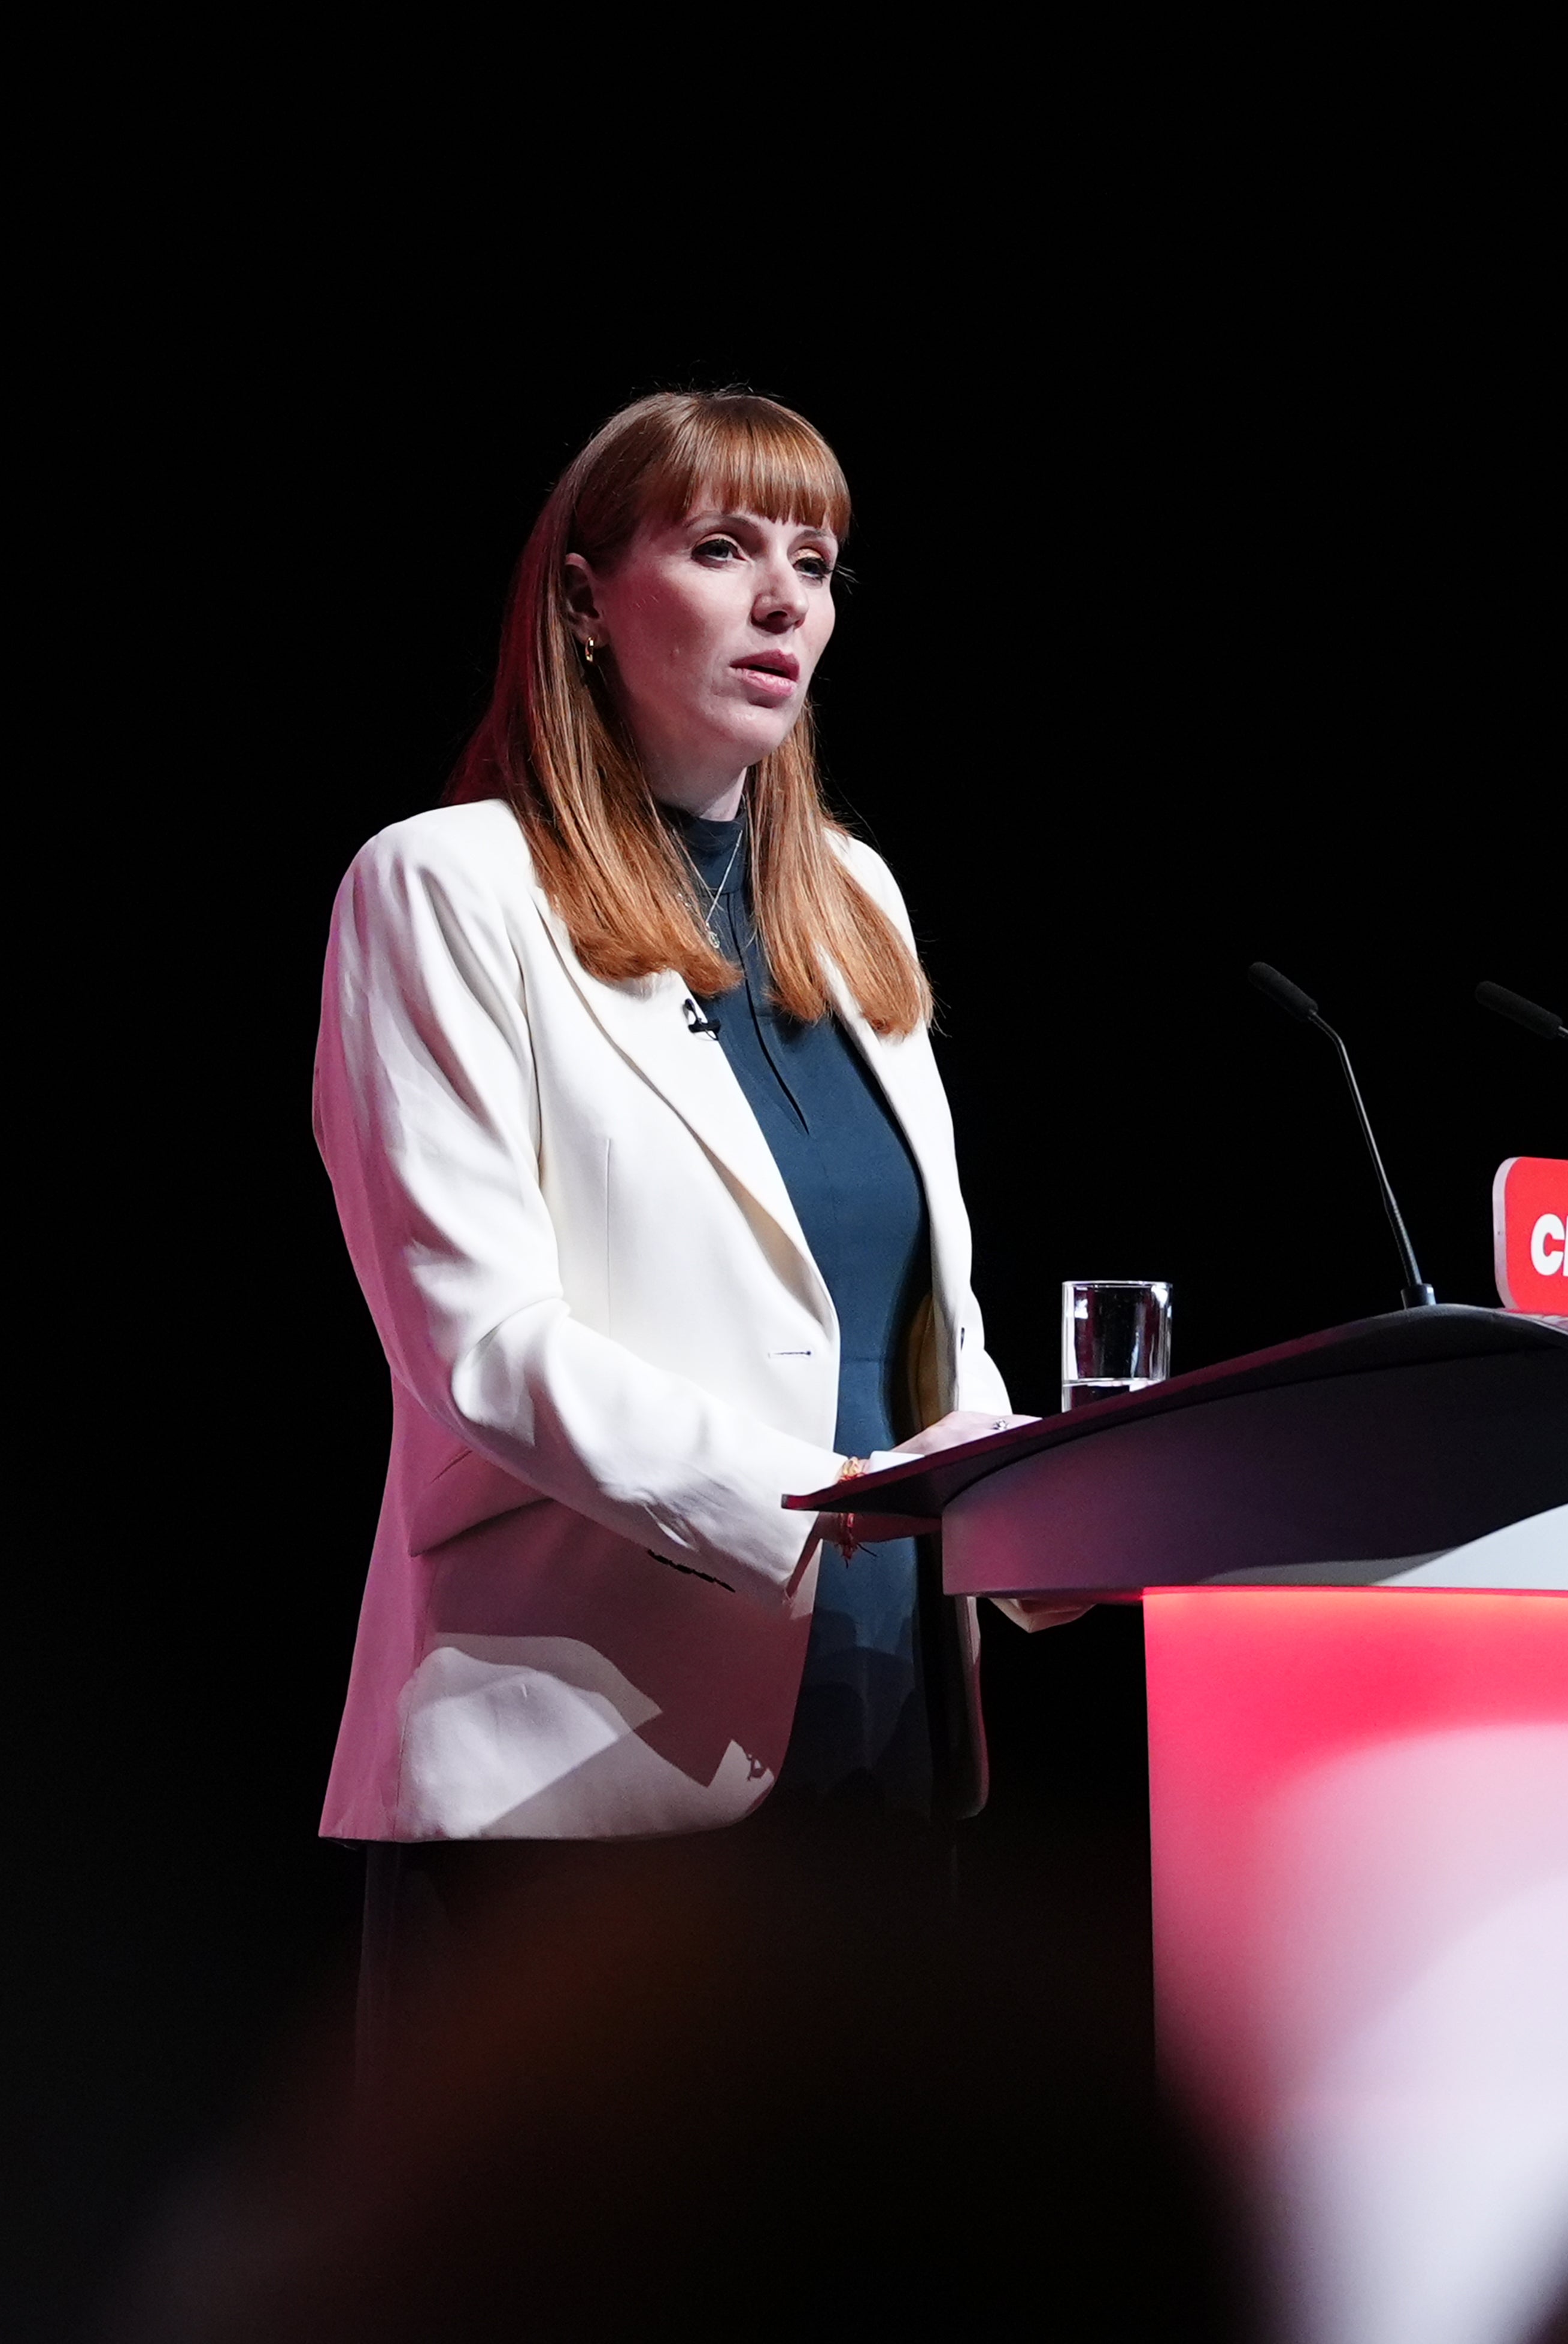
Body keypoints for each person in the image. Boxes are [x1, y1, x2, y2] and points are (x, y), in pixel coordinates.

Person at [310, 388, 1038, 1888]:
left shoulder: (855, 897)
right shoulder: (447, 889)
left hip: (885, 1722)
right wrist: (815, 1511)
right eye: (722, 548)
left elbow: (929, 1335)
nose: (785, 598)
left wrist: (1048, 1502)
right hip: (581, 1762)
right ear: (584, 600)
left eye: (818, 563)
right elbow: (482, 1345)